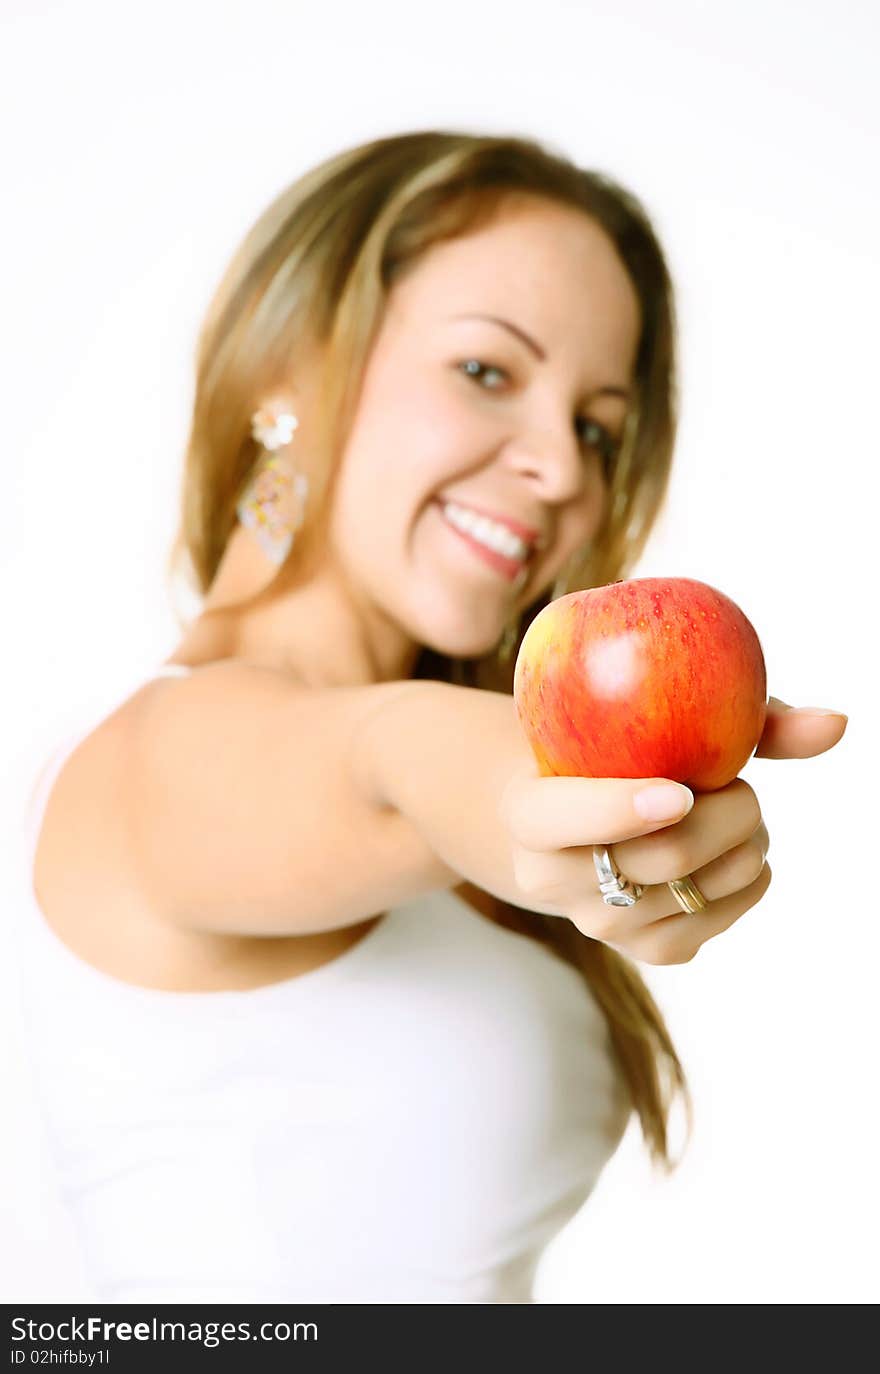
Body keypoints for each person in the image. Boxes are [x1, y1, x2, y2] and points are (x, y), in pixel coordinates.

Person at [16, 129, 847, 1304]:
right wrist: (543, 810)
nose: (562, 468)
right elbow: (386, 762)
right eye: (487, 372)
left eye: (598, 427)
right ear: (288, 374)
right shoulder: (161, 755)